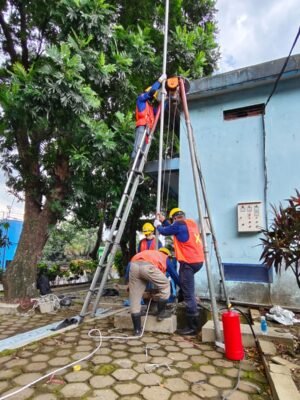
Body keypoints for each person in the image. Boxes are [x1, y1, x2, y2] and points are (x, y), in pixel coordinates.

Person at [154, 208, 204, 336]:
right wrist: (163, 220)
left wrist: (158, 225)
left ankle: (192, 327)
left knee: (188, 294)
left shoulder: (178, 225)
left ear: (174, 218)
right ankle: (184, 300)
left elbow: (166, 231)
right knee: (185, 285)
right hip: (197, 261)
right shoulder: (190, 223)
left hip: (188, 262)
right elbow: (173, 229)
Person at [129, 248, 173, 336]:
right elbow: (174, 274)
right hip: (147, 267)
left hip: (133, 266)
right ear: (168, 255)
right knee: (165, 284)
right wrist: (183, 288)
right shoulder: (165, 257)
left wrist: (128, 283)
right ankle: (161, 313)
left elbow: (129, 268)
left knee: (135, 296)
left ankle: (137, 330)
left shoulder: (149, 253)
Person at [132, 74, 167, 160]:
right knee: (138, 149)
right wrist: (159, 81)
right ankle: (134, 161)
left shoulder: (150, 108)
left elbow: (160, 110)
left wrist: (166, 99)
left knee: (143, 152)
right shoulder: (141, 99)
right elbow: (152, 91)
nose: (152, 98)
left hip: (148, 131)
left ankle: (138, 165)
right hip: (142, 127)